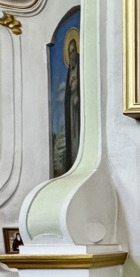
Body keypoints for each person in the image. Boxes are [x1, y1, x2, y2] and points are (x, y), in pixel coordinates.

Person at [63, 35, 80, 174]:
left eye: (73, 51)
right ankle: (73, 161)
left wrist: (78, 94)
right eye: (70, 53)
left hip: (78, 106)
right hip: (71, 107)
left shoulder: (80, 66)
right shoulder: (70, 69)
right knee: (72, 134)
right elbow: (68, 91)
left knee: (78, 133)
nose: (71, 54)